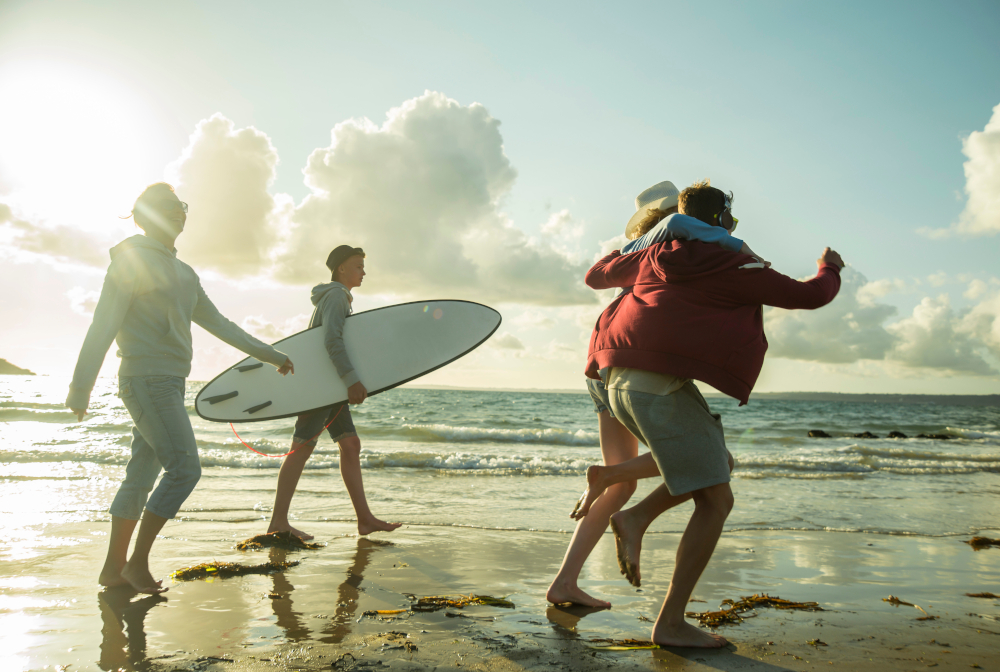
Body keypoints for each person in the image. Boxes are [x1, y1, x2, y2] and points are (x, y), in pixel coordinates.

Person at [584, 179, 843, 647]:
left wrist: (648, 240)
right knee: (717, 500)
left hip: (619, 380)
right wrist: (831, 267)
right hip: (654, 386)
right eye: (732, 220)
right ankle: (669, 623)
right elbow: (810, 296)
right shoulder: (733, 262)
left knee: (717, 465)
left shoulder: (653, 255)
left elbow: (597, 275)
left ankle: (636, 516)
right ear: (721, 220)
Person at [546, 180, 768, 608]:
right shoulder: (683, 247)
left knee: (626, 481)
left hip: (601, 364)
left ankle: (565, 581)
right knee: (714, 462)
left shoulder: (643, 250)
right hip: (635, 370)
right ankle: (608, 487)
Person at [68, 183, 294, 594]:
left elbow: (222, 325)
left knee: (140, 476)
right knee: (185, 469)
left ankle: (113, 569)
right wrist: (81, 386)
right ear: (145, 215)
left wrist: (272, 355)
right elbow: (103, 324)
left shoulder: (185, 274)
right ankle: (137, 564)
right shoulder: (129, 263)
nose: (178, 212)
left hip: (169, 383)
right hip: (144, 379)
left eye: (182, 206)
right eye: (168, 207)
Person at [265, 245, 401, 540]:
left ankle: (364, 519)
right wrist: (352, 380)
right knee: (301, 447)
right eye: (358, 266)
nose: (363, 272)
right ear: (341, 268)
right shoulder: (337, 296)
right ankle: (278, 521)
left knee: (350, 446)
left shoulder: (335, 298)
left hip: (331, 388)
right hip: (323, 388)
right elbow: (331, 341)